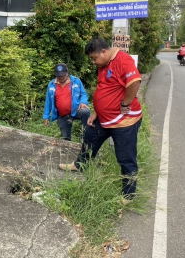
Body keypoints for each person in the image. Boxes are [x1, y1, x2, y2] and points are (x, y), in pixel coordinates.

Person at [59, 37, 142, 204]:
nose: (93, 62)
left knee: (126, 157)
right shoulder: (104, 65)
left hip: (123, 121)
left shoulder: (123, 60)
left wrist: (125, 103)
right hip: (104, 118)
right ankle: (80, 164)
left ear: (104, 52)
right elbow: (103, 88)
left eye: (94, 58)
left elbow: (134, 82)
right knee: (89, 138)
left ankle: (128, 196)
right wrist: (97, 110)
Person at [43, 63, 90, 141]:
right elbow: (48, 101)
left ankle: (86, 138)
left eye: (63, 75)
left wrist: (83, 102)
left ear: (67, 73)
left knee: (85, 111)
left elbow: (83, 94)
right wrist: (46, 116)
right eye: (58, 76)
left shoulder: (75, 81)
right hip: (62, 115)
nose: (61, 77)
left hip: (76, 110)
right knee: (65, 138)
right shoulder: (51, 85)